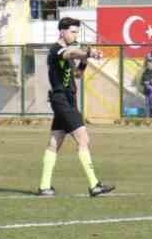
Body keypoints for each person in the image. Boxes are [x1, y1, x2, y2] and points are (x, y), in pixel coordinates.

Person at [38, 17, 114, 197]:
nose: (75, 35)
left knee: (55, 141)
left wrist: (86, 60)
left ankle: (44, 186)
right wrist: (87, 53)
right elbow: (70, 53)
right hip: (62, 99)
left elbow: (77, 74)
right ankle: (94, 185)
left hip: (66, 99)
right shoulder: (57, 50)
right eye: (72, 31)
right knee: (83, 139)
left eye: (77, 32)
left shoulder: (69, 49)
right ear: (62, 31)